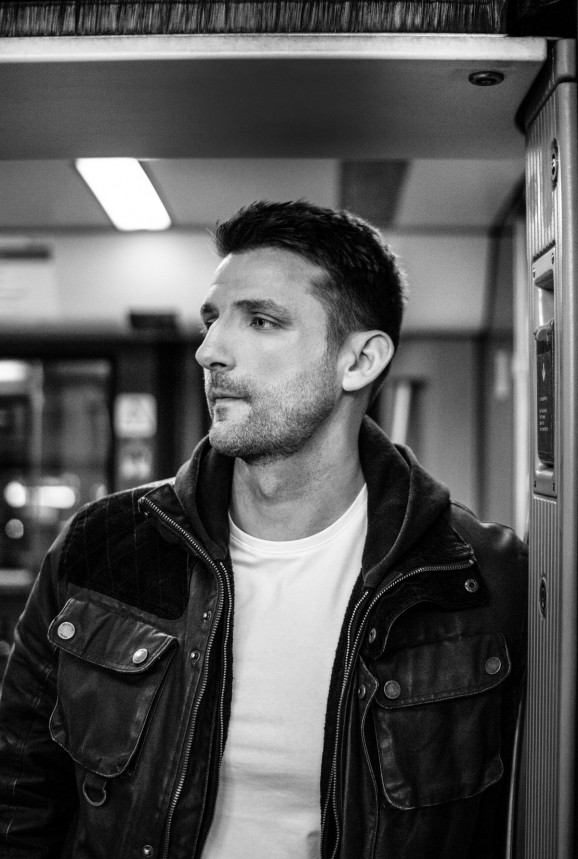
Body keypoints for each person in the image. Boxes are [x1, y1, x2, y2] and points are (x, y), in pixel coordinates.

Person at [0, 200, 527, 859]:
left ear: (360, 360)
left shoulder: (478, 576)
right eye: (213, 320)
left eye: (261, 320)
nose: (210, 351)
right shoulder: (103, 547)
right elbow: (18, 793)